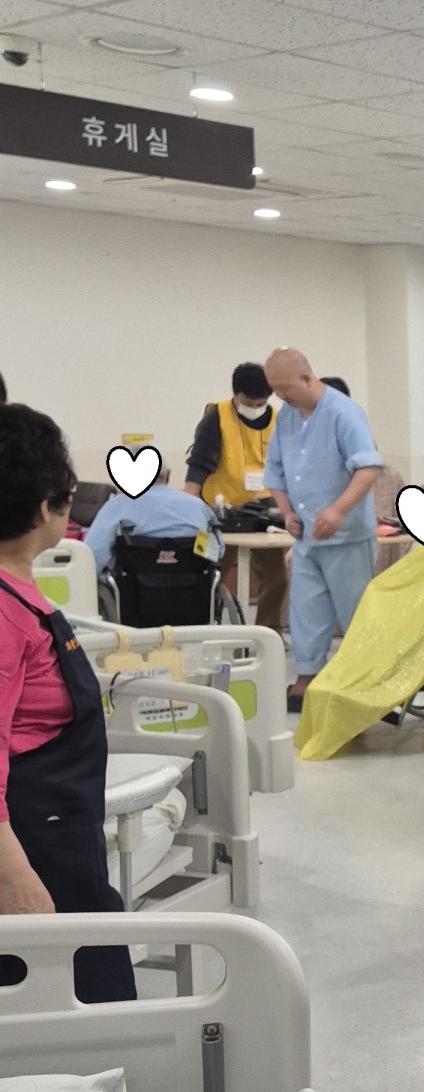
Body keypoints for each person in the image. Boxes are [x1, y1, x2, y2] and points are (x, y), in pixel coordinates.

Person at [0, 403, 136, 1001]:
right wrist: (17, 880)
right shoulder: (5, 616)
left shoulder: (22, 596)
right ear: (43, 509)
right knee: (75, 1007)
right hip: (33, 852)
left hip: (60, 834)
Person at [261, 347, 382, 711]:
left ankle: (364, 681)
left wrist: (339, 510)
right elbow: (275, 469)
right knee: (306, 607)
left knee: (355, 610)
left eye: (285, 387)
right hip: (306, 536)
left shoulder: (344, 412)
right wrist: (287, 513)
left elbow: (368, 468)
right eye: (275, 389)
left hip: (346, 536)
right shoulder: (286, 417)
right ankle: (308, 676)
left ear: (306, 378)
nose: (280, 396)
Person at [183, 359, 285, 628]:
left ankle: (269, 636)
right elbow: (200, 463)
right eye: (249, 403)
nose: (256, 408)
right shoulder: (216, 416)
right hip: (218, 513)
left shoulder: (279, 419)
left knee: (276, 580)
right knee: (207, 574)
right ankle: (203, 629)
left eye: (261, 403)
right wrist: (187, 505)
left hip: (264, 514)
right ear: (235, 394)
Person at [86, 458, 222, 577]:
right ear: (168, 475)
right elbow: (218, 551)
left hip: (131, 592)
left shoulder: (117, 504)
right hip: (193, 590)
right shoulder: (197, 505)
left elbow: (94, 554)